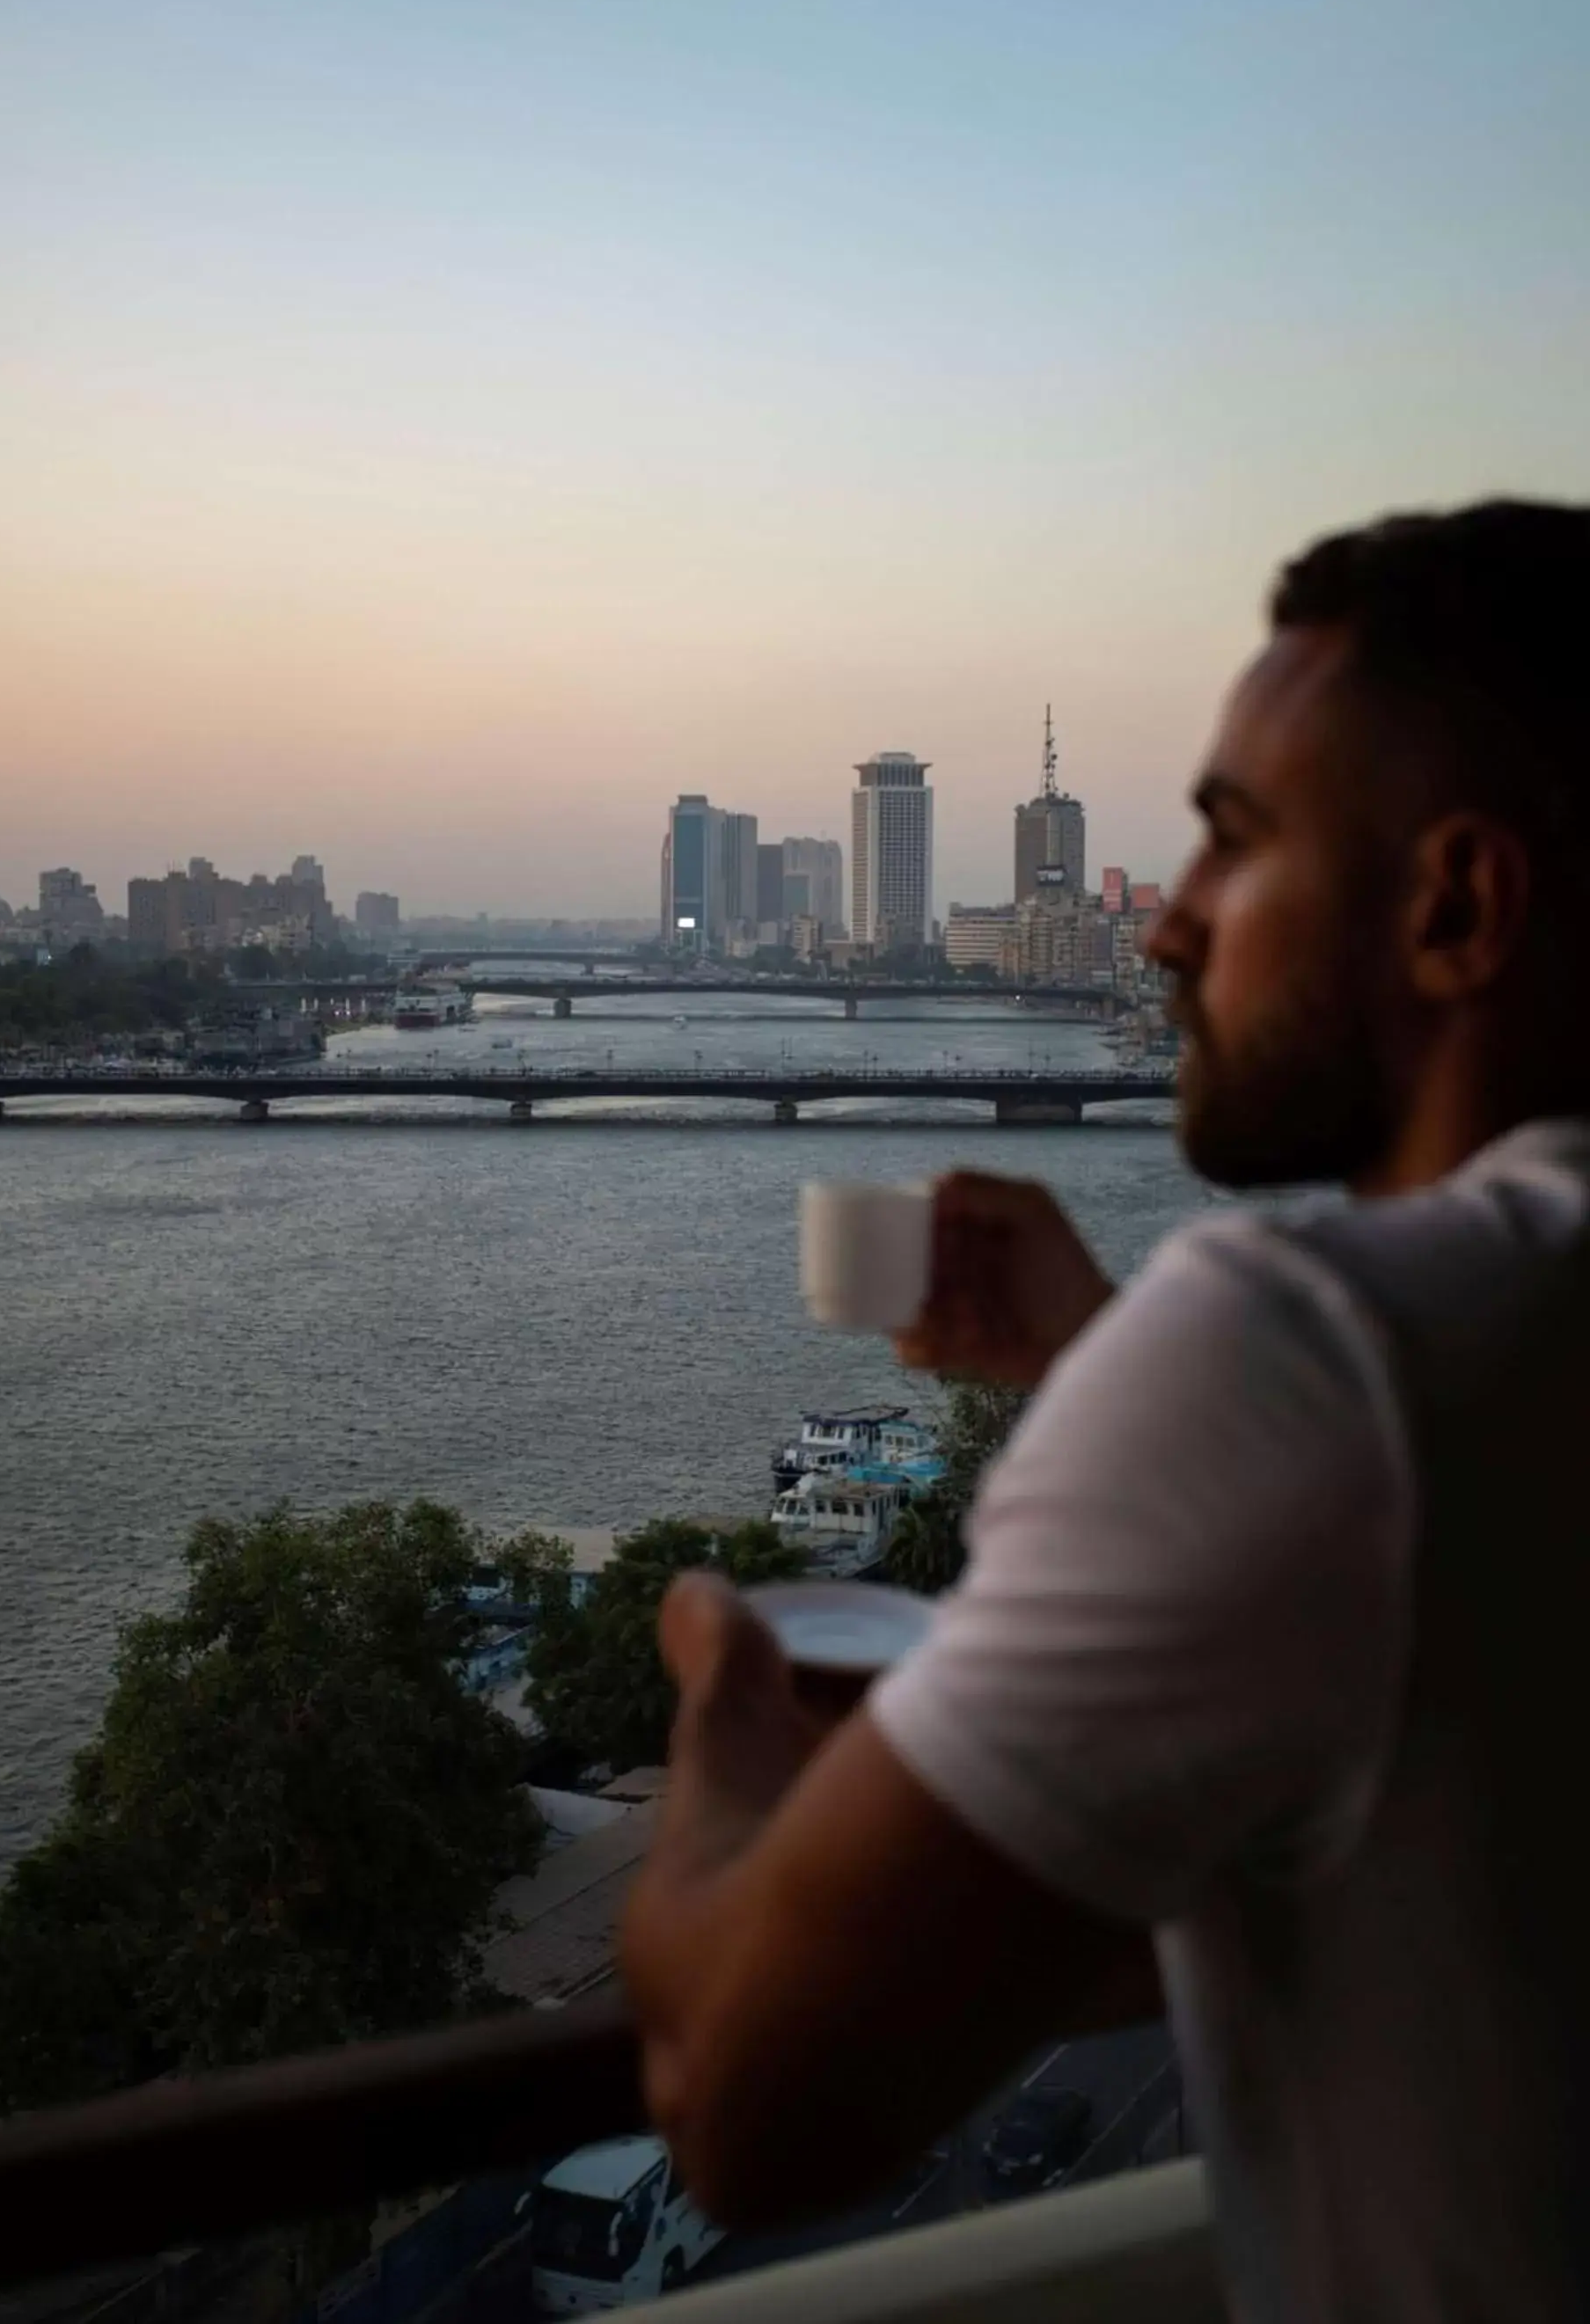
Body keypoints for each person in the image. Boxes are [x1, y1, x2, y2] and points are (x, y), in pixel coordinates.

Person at [621, 501, 1590, 2321]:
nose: (1164, 939)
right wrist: (1105, 1368)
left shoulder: (1296, 1349)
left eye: (1231, 846)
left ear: (1456, 905)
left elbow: (739, 2107)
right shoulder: (1421, 1362)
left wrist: (720, 1700)